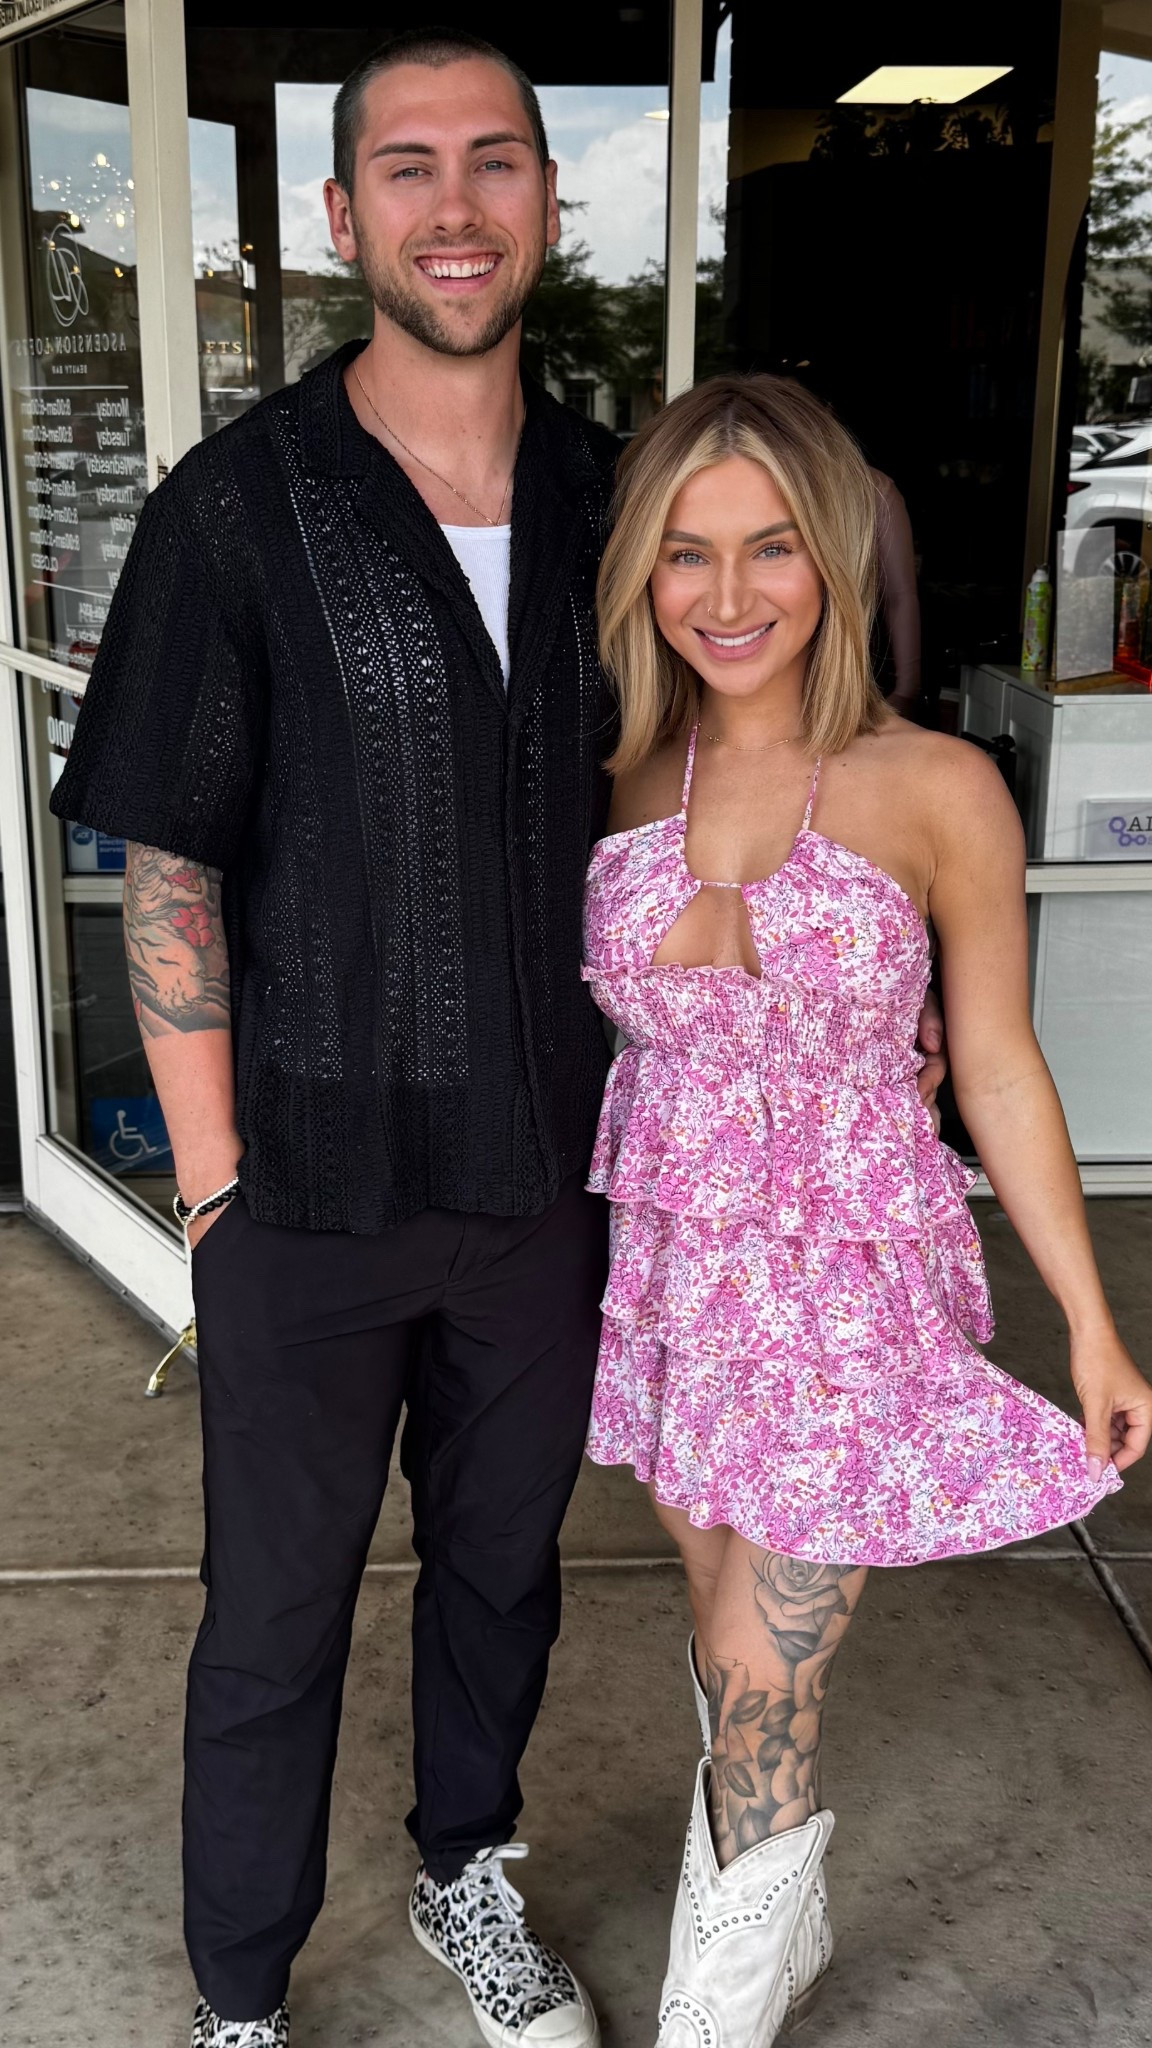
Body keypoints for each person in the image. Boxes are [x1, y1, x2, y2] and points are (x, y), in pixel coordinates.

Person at [49, 33, 945, 2048]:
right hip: (304, 1185)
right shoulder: (238, 510)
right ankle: (237, 1998)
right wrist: (207, 1189)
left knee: (500, 1584)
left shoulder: (623, 501)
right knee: (272, 1622)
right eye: (409, 168)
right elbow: (168, 864)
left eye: (495, 165)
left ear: (549, 203)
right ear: (343, 214)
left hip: (552, 1186)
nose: (454, 205)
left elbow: (749, 752)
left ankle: (469, 1874)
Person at [581, 375, 1151, 2047]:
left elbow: (1001, 1068)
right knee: (723, 1622)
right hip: (678, 1286)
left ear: (833, 558)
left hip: (850, 1296)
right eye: (687, 555)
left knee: (770, 1663)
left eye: (772, 549)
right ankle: (788, 1902)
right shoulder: (615, 775)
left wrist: (1094, 1325)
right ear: (640, 574)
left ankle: (723, 1994)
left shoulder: (935, 788)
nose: (730, 595)